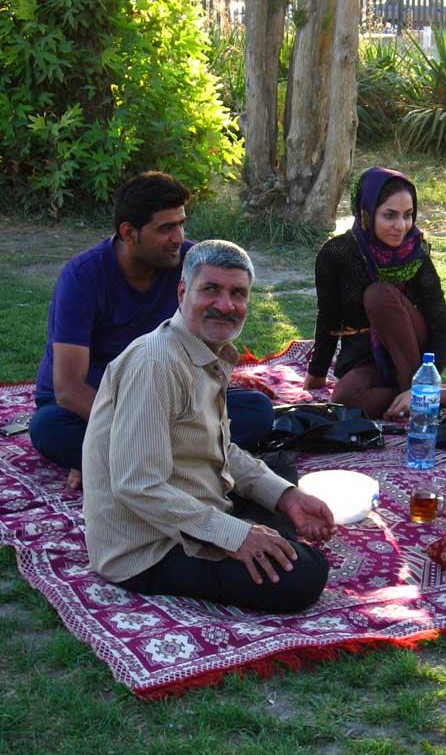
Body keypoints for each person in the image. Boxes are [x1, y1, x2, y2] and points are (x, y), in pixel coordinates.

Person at [83, 240, 334, 612]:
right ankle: (253, 531)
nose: (226, 305)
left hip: (193, 500)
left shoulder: (204, 350)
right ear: (183, 290)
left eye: (238, 293)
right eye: (211, 289)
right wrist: (235, 535)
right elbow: (138, 485)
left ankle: (263, 523)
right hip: (148, 545)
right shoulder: (155, 365)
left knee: (280, 474)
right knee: (304, 575)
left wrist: (286, 496)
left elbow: (219, 447)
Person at [29, 171, 272, 490]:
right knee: (48, 428)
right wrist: (145, 430)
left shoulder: (191, 263)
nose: (179, 237)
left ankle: (108, 463)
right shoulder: (82, 278)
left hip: (169, 400)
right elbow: (68, 389)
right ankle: (183, 463)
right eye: (166, 228)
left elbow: (210, 347)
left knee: (256, 410)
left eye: (181, 224)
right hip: (97, 405)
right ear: (129, 233)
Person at [302, 166, 446, 420]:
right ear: (366, 214)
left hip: (414, 349)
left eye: (408, 215)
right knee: (344, 401)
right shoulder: (336, 253)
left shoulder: (416, 254)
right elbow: (329, 316)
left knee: (379, 295)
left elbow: (441, 327)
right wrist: (316, 374)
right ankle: (433, 398)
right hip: (367, 355)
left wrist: (427, 377)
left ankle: (417, 393)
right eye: (389, 215)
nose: (401, 226)